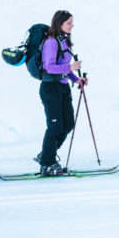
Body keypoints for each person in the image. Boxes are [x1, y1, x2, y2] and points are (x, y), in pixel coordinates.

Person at [35, 10, 87, 176]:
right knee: (55, 126)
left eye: (72, 22)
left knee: (68, 124)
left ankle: (46, 154)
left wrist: (76, 79)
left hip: (63, 87)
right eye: (69, 23)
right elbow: (48, 67)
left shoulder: (64, 41)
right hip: (50, 88)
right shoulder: (51, 42)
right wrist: (70, 68)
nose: (72, 26)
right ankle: (47, 163)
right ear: (59, 24)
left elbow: (64, 68)